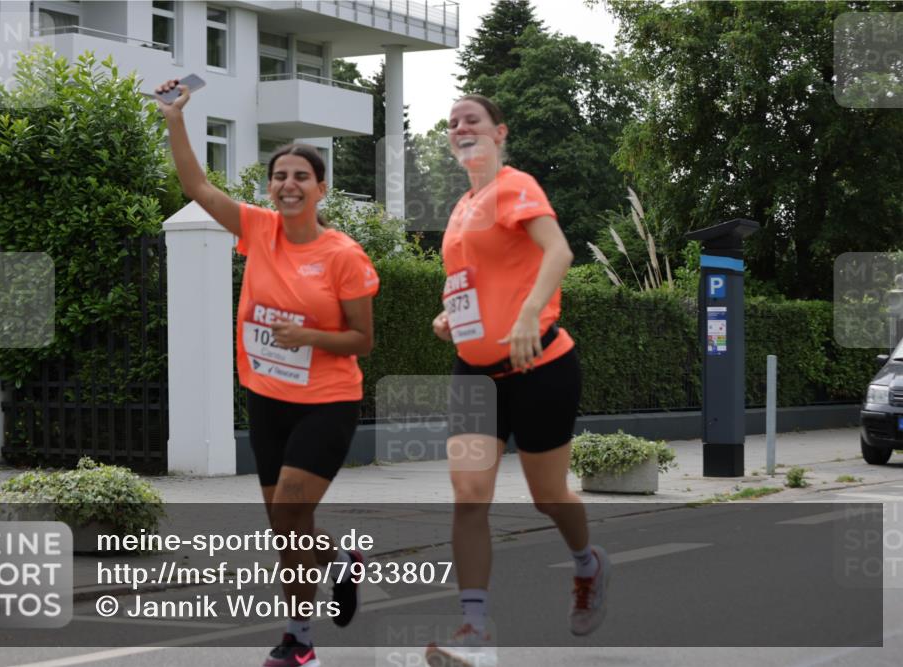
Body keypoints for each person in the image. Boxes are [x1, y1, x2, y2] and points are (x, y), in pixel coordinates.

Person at [156, 79, 379, 667]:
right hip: (267, 399)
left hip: (327, 402)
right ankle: (337, 566)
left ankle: (297, 641)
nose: (288, 184)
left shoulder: (344, 256)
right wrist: (175, 117)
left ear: (321, 188)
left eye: (301, 176)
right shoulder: (258, 229)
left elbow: (364, 339)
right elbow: (196, 186)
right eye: (280, 176)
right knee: (284, 528)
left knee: (288, 513)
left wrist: (309, 336)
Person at [425, 94, 609, 667]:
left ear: (499, 133)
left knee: (547, 496)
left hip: (541, 367)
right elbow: (473, 284)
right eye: (453, 123)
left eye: (472, 120)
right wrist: (450, 316)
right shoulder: (460, 208)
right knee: (469, 498)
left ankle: (588, 563)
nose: (461, 128)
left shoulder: (515, 185)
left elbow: (559, 251)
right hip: (475, 374)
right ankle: (474, 633)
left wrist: (531, 313)